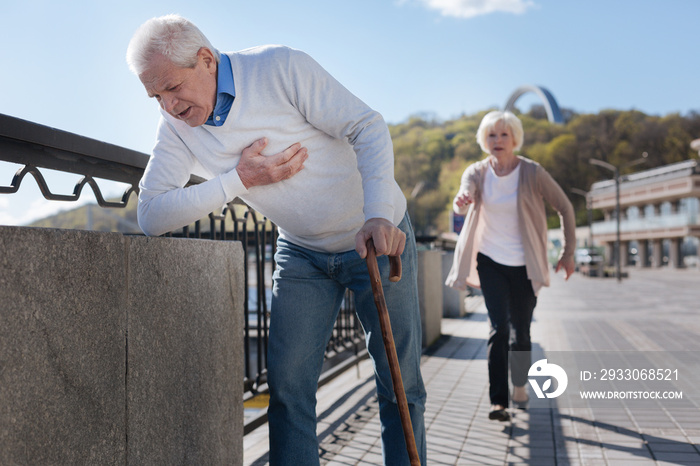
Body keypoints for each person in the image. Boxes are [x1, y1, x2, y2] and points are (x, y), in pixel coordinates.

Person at [126, 14, 426, 465]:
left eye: (172, 88)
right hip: (301, 255)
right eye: (155, 97)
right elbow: (150, 214)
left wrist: (380, 213)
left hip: (377, 242)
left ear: (206, 59)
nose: (168, 106)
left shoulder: (279, 68)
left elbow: (367, 126)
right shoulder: (178, 127)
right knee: (287, 391)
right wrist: (238, 180)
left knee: (399, 384)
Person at [445, 110, 575, 422]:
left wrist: (568, 252)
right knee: (498, 328)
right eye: (491, 135)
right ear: (483, 140)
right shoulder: (477, 171)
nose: (498, 140)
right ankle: (498, 402)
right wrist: (461, 200)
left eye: (504, 134)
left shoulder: (532, 172)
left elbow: (565, 207)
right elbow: (464, 193)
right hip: (490, 261)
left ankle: (520, 385)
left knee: (522, 332)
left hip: (524, 264)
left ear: (514, 138)